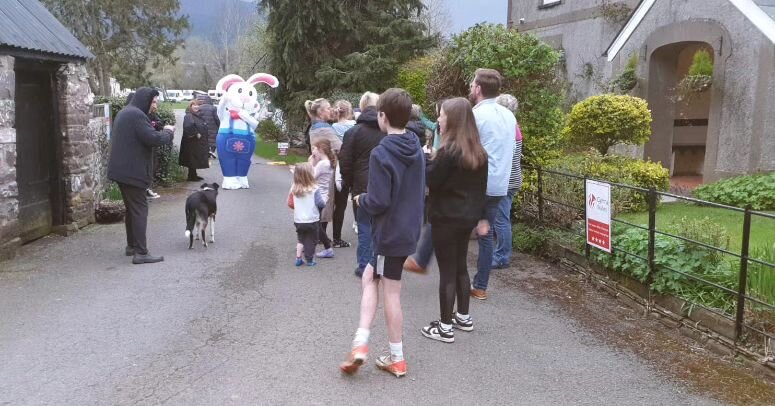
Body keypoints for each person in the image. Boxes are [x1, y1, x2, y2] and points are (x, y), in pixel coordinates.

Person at [340, 88, 424, 378]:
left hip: (389, 233)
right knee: (369, 276)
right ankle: (360, 342)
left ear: (383, 117)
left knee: (390, 291)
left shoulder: (382, 152)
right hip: (407, 229)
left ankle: (396, 357)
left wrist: (362, 199)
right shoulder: (414, 144)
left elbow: (379, 201)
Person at [420, 97, 489, 343]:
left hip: (445, 217)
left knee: (447, 272)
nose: (439, 119)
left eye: (442, 115)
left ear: (453, 119)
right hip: (467, 219)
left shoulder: (448, 152)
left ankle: (445, 327)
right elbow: (482, 190)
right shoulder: (479, 152)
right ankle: (463, 316)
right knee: (461, 267)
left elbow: (432, 181)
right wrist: (481, 217)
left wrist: (427, 160)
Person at [107, 87, 174, 264]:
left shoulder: (127, 112)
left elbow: (144, 134)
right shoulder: (136, 115)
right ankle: (141, 253)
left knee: (132, 209)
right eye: (153, 102)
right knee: (139, 209)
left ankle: (132, 246)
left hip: (122, 171)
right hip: (132, 172)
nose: (155, 106)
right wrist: (168, 131)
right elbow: (154, 139)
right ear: (145, 100)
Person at [468, 68, 516, 300]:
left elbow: (465, 150)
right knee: (485, 235)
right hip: (498, 186)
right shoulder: (509, 116)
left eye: (472, 84)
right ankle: (480, 286)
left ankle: (454, 283)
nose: (470, 87)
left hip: (475, 185)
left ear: (478, 89)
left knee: (453, 227)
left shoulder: (475, 115)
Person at [338, 92, 382, 277]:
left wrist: (350, 183)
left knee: (364, 225)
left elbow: (345, 162)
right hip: (383, 184)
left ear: (362, 108)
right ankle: (379, 265)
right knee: (380, 226)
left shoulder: (353, 132)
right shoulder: (386, 130)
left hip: (361, 185)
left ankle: (365, 265)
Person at [492, 94, 523, 269]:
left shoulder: (507, 128)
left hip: (506, 180)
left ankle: (502, 256)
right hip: (512, 179)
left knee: (501, 220)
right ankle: (500, 253)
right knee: (501, 218)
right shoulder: (514, 126)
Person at [287, 162, 326, 267]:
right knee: (311, 240)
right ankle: (309, 260)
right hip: (312, 219)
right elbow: (320, 203)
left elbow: (290, 203)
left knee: (301, 239)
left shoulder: (294, 189)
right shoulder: (314, 188)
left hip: (298, 220)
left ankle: (298, 258)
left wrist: (299, 208)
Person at [331, 100, 356, 248]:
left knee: (338, 204)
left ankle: (336, 237)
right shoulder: (354, 125)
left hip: (338, 166)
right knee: (355, 198)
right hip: (353, 165)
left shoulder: (333, 127)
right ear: (349, 111)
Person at [310, 138, 336, 259]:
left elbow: (310, 178)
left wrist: (311, 162)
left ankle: (327, 248)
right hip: (323, 196)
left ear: (321, 149)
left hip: (317, 196)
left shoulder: (322, 164)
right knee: (315, 222)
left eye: (315, 148)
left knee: (315, 223)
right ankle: (309, 244)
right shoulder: (328, 162)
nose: (313, 150)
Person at [180, 101, 210, 181]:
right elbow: (188, 126)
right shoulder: (189, 115)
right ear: (190, 106)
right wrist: (196, 133)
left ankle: (193, 175)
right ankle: (191, 176)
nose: (196, 106)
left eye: (198, 105)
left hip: (197, 142)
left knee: (195, 158)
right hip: (191, 141)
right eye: (194, 105)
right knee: (192, 158)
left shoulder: (198, 115)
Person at [195, 94, 221, 158]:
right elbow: (216, 118)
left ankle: (206, 151)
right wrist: (219, 125)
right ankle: (212, 151)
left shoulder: (200, 107)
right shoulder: (213, 108)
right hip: (213, 127)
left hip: (203, 126)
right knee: (213, 140)